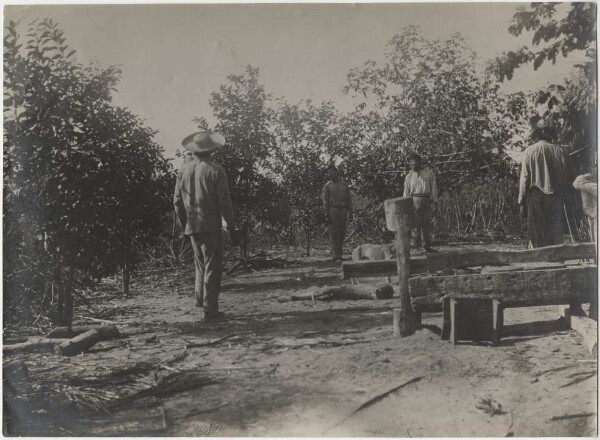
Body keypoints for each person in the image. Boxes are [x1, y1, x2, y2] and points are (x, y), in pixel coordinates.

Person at [173, 130, 238, 322]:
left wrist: (184, 224)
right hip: (210, 225)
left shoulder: (183, 170)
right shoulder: (216, 170)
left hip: (192, 225)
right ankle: (210, 309)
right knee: (211, 266)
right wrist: (232, 228)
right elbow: (224, 202)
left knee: (200, 264)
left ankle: (200, 300)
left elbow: (177, 201)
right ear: (211, 149)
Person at [518, 117, 572, 248]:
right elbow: (569, 177)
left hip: (536, 197)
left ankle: (538, 263)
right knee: (555, 237)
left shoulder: (529, 151)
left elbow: (524, 179)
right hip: (556, 197)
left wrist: (521, 202)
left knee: (536, 237)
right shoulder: (562, 151)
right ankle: (556, 264)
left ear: (537, 134)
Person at [403, 153, 438, 252]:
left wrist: (434, 201)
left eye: (414, 161)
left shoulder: (428, 173)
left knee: (426, 223)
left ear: (419, 162)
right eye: (410, 162)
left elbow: (433, 187)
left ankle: (426, 246)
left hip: (426, 200)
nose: (412, 164)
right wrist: (406, 205)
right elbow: (406, 192)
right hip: (414, 200)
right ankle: (415, 247)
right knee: (415, 224)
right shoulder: (409, 176)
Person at [321, 165, 353, 262]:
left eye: (332, 172)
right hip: (332, 210)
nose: (330, 174)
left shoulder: (344, 185)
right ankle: (336, 255)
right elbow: (325, 201)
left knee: (342, 232)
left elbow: (349, 200)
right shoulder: (327, 186)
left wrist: (351, 213)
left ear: (337, 172)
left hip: (343, 210)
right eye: (329, 172)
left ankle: (340, 253)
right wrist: (326, 214)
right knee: (334, 233)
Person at [573, 164, 597, 243]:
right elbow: (576, 184)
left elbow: (576, 183)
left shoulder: (590, 185)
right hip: (592, 215)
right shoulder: (588, 184)